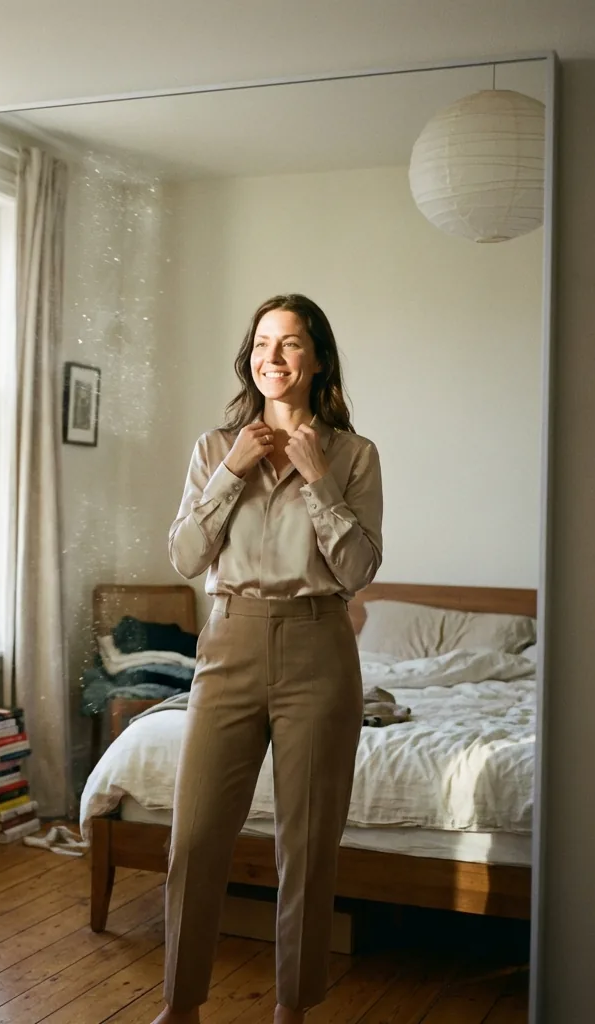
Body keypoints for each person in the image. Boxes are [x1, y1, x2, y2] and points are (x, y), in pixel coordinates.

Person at [153, 294, 383, 1024]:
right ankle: (181, 1006)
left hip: (320, 646)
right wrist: (232, 471)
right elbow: (187, 554)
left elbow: (357, 571)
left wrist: (318, 479)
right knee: (194, 837)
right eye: (261, 343)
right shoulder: (213, 447)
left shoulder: (353, 454)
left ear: (317, 359)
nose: (272, 358)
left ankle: (292, 1008)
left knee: (309, 845)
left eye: (289, 344)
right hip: (228, 645)